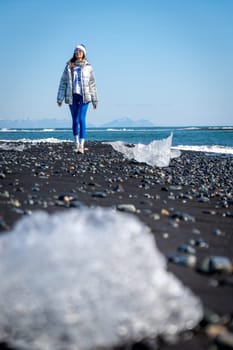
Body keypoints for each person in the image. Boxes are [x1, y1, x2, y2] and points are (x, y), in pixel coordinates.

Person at [57, 44, 98, 154]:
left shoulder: (89, 67)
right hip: (72, 96)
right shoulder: (69, 66)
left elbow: (92, 84)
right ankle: (76, 143)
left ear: (84, 53)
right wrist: (59, 98)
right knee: (75, 120)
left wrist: (95, 100)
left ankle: (82, 145)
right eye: (76, 50)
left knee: (81, 118)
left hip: (85, 97)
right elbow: (63, 82)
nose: (78, 52)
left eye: (80, 51)